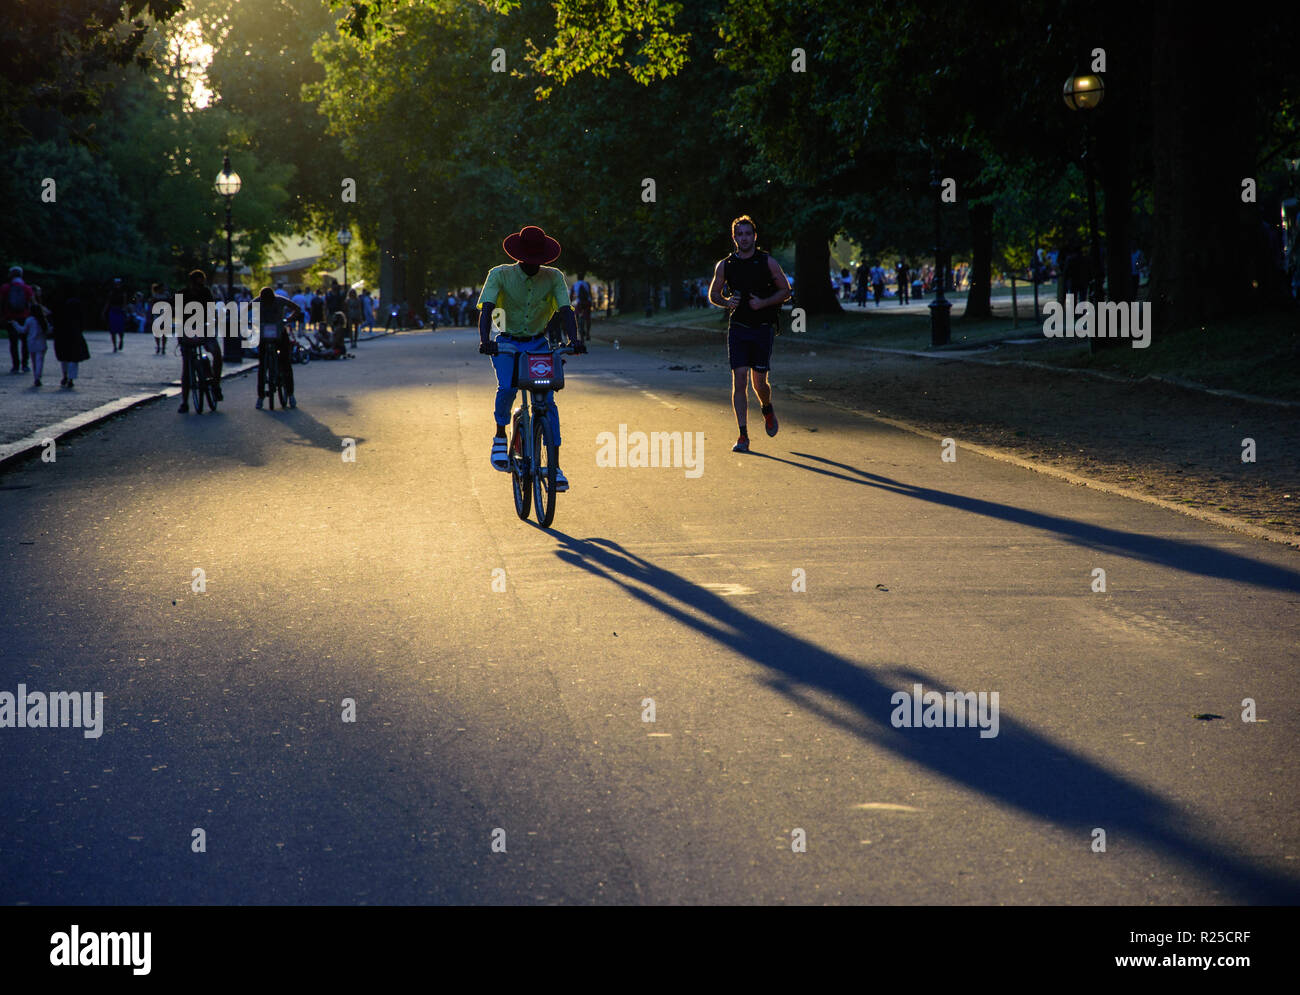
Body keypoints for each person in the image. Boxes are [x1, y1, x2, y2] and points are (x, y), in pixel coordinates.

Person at [476, 224, 586, 490]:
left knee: (547, 400)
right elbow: (487, 308)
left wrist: (575, 340)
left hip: (538, 344)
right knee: (507, 387)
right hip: (507, 343)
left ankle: (555, 465)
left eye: (539, 261)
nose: (534, 266)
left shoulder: (554, 277)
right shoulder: (499, 275)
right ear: (520, 257)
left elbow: (565, 310)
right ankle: (500, 435)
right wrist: (486, 341)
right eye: (530, 261)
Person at [707, 214, 789, 453]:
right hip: (738, 328)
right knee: (740, 379)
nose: (744, 238)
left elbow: (785, 290)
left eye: (747, 234)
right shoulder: (726, 265)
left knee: (759, 383)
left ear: (755, 236)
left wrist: (763, 303)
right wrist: (726, 301)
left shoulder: (767, 262)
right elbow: (713, 294)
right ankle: (743, 435)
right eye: (739, 234)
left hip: (762, 328)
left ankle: (767, 408)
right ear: (734, 238)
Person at [176, 270, 223, 414]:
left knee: (217, 353)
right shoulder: (182, 294)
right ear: (191, 282)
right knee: (186, 365)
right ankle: (184, 402)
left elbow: (212, 311)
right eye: (197, 284)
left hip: (204, 328)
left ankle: (216, 383)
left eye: (201, 283)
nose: (199, 287)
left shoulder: (206, 292)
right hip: (187, 329)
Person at [254, 287, 303, 409]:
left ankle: (290, 394)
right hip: (265, 334)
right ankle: (260, 396)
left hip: (279, 333)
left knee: (285, 363)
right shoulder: (258, 301)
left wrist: (287, 320)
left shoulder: (280, 300)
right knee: (262, 366)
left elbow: (297, 309)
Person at [2, 265, 35, 373]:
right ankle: (25, 364)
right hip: (24, 317)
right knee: (25, 342)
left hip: (10, 317)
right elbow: (32, 303)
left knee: (13, 342)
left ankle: (15, 365)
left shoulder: (5, 288)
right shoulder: (27, 288)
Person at [54, 293, 90, 388]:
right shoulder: (79, 315)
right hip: (75, 336)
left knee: (64, 358)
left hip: (62, 337)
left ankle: (65, 375)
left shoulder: (62, 313)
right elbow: (83, 325)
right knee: (74, 359)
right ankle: (71, 378)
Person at [23, 284, 51, 387]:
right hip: (41, 341)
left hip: (31, 340)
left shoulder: (30, 317)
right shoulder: (36, 305)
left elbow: (23, 329)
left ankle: (36, 375)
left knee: (34, 359)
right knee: (39, 359)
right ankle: (37, 376)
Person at [103, 277, 128, 351]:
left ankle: (121, 340)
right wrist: (104, 311)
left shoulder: (123, 293)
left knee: (121, 329)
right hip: (113, 310)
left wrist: (125, 312)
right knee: (112, 330)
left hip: (120, 310)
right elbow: (108, 303)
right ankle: (114, 346)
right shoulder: (111, 292)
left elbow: (125, 303)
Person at [571, 271, 593, 342]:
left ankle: (580, 329)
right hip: (587, 302)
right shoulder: (587, 284)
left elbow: (571, 295)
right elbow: (590, 293)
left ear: (577, 278)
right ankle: (588, 333)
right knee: (588, 318)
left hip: (579, 303)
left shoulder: (575, 284)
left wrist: (570, 302)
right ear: (583, 278)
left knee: (576, 316)